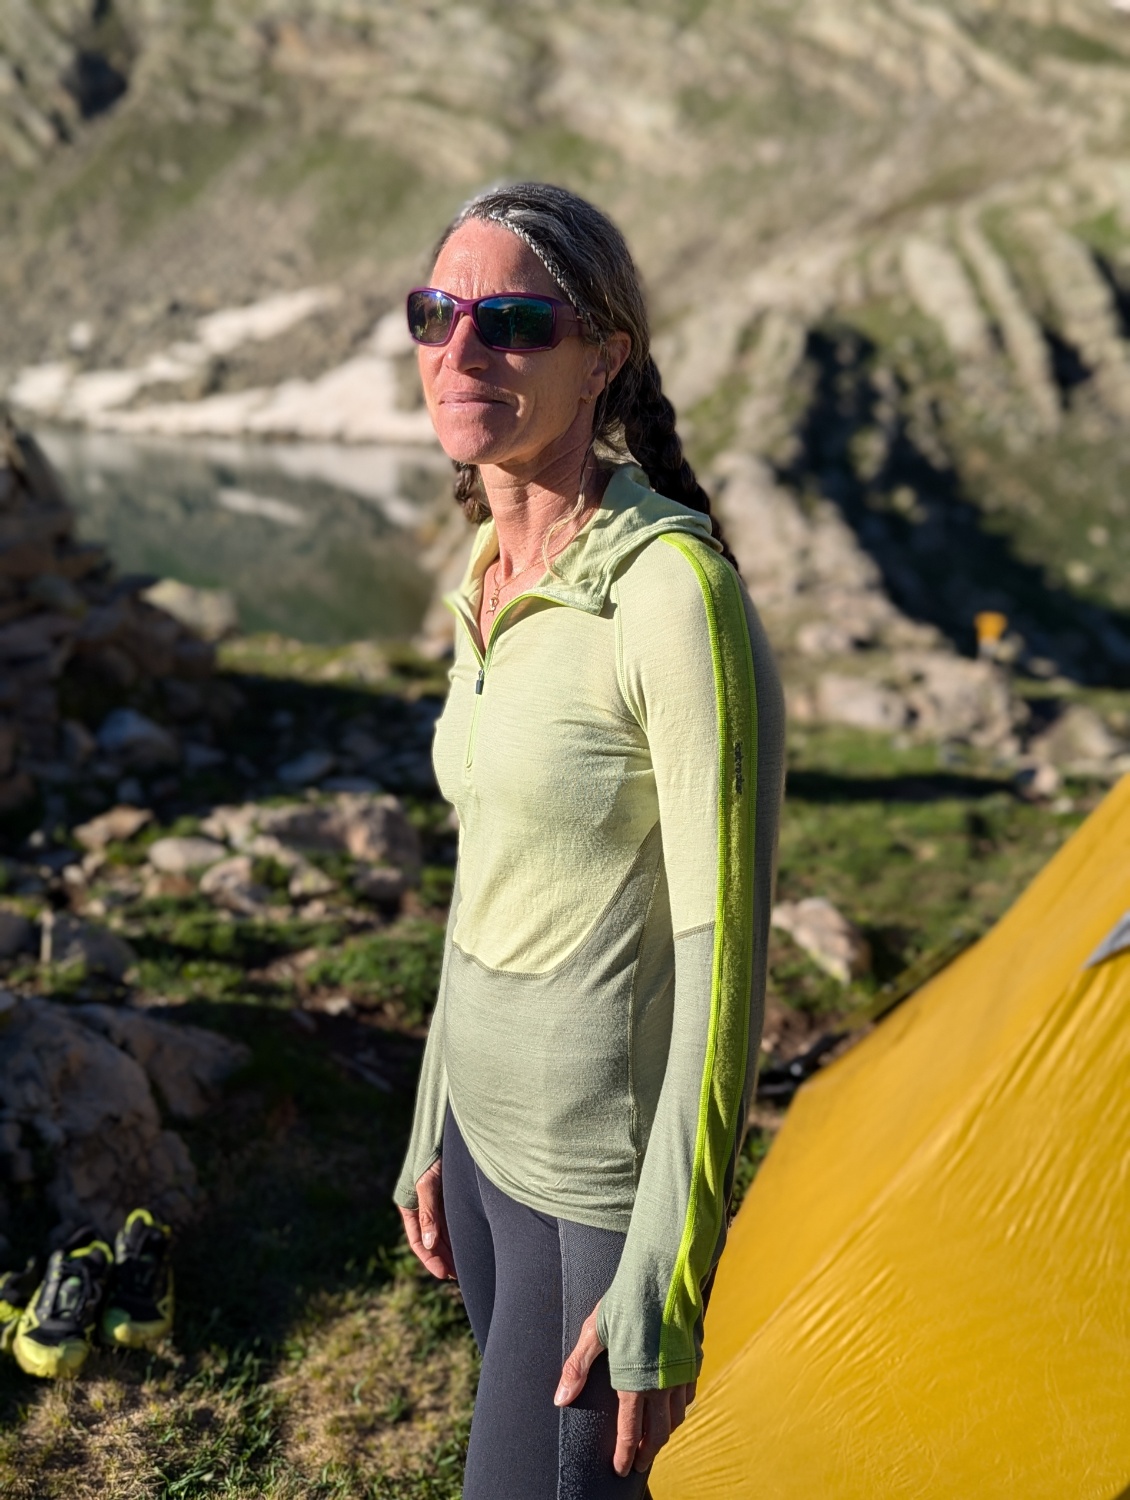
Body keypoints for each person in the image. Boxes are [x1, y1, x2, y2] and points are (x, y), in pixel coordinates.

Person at [394, 182, 784, 1499]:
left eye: (511, 321)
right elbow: (484, 878)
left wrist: (664, 1279)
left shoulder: (669, 596)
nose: (462, 352)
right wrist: (429, 1121)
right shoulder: (486, 580)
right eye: (436, 313)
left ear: (602, 356)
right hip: (485, 1152)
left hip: (595, 1192)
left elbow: (724, 962)